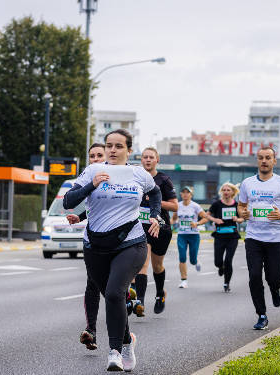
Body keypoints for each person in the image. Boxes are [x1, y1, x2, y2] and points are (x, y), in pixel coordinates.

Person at [63, 129, 162, 372]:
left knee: (116, 293)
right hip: (95, 245)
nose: (113, 150)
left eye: (119, 146)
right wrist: (91, 185)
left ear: (129, 150)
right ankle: (128, 340)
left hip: (131, 241)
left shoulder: (138, 174)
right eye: (109, 146)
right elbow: (68, 201)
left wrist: (156, 215)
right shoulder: (93, 171)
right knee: (110, 296)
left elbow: (155, 192)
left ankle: (116, 351)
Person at [237, 147, 280, 330]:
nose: (264, 161)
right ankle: (262, 314)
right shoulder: (247, 183)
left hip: (276, 238)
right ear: (257, 160)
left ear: (274, 161)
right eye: (261, 158)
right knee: (254, 276)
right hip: (253, 237)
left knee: (274, 277)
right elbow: (240, 207)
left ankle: (276, 288)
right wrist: (244, 213)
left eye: (268, 158)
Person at [66, 143, 105, 351]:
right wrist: (80, 216)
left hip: (120, 240)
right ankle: (91, 331)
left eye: (100, 155)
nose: (96, 159)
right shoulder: (89, 176)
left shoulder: (120, 175)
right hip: (94, 237)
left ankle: (124, 341)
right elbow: (95, 208)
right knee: (93, 282)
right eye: (92, 156)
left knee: (114, 290)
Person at [132, 147, 178, 316]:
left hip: (161, 227)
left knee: (157, 265)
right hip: (140, 227)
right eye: (145, 157)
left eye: (151, 157)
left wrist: (155, 201)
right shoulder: (135, 177)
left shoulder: (163, 180)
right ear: (141, 159)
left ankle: (160, 293)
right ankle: (140, 302)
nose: (148, 160)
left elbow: (174, 205)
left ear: (157, 160)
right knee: (142, 263)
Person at [206, 182, 243, 292]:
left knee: (228, 260)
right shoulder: (217, 204)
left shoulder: (237, 205)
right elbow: (206, 215)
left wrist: (237, 219)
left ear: (233, 192)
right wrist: (215, 220)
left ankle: (227, 283)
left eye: (228, 190)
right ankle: (220, 267)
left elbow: (242, 218)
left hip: (232, 236)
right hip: (219, 235)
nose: (226, 192)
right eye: (224, 190)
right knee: (218, 261)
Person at [172, 186, 208, 288]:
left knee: (192, 260)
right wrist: (167, 225)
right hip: (182, 235)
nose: (185, 194)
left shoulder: (195, 206)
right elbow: (174, 219)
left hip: (194, 235)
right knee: (182, 257)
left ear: (191, 195)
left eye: (187, 192)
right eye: (183, 192)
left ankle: (196, 261)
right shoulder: (177, 206)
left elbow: (205, 218)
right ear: (181, 194)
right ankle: (184, 280)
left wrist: (197, 223)